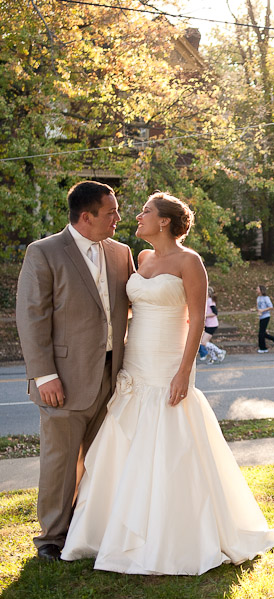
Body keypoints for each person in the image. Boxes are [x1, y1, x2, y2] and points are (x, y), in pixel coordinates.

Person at [60, 192, 274, 574]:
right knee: (121, 443)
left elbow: (197, 321)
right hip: (135, 364)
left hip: (167, 365)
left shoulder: (190, 262)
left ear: (163, 222)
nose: (137, 217)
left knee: (167, 441)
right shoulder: (141, 258)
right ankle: (106, 530)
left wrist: (183, 372)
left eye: (145, 212)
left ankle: (169, 536)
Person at [15, 181, 135, 563]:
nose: (118, 218)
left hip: (113, 375)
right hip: (62, 379)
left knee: (101, 456)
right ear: (87, 216)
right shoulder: (44, 252)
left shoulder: (121, 253)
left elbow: (134, 307)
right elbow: (32, 316)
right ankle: (52, 536)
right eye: (111, 212)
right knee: (61, 459)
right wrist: (44, 374)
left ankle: (90, 525)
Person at [201, 286, 226, 363]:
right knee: (205, 342)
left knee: (203, 342)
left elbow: (215, 313)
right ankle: (213, 357)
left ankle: (220, 351)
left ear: (208, 293)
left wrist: (205, 316)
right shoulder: (207, 301)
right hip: (208, 324)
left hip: (212, 324)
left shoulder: (210, 301)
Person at [255, 285, 274, 353]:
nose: (256, 290)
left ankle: (263, 348)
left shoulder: (266, 298)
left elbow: (271, 307)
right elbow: (258, 308)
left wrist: (263, 310)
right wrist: (255, 310)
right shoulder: (258, 298)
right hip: (261, 317)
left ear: (261, 290)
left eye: (257, 288)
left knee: (261, 334)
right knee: (263, 333)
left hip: (266, 316)